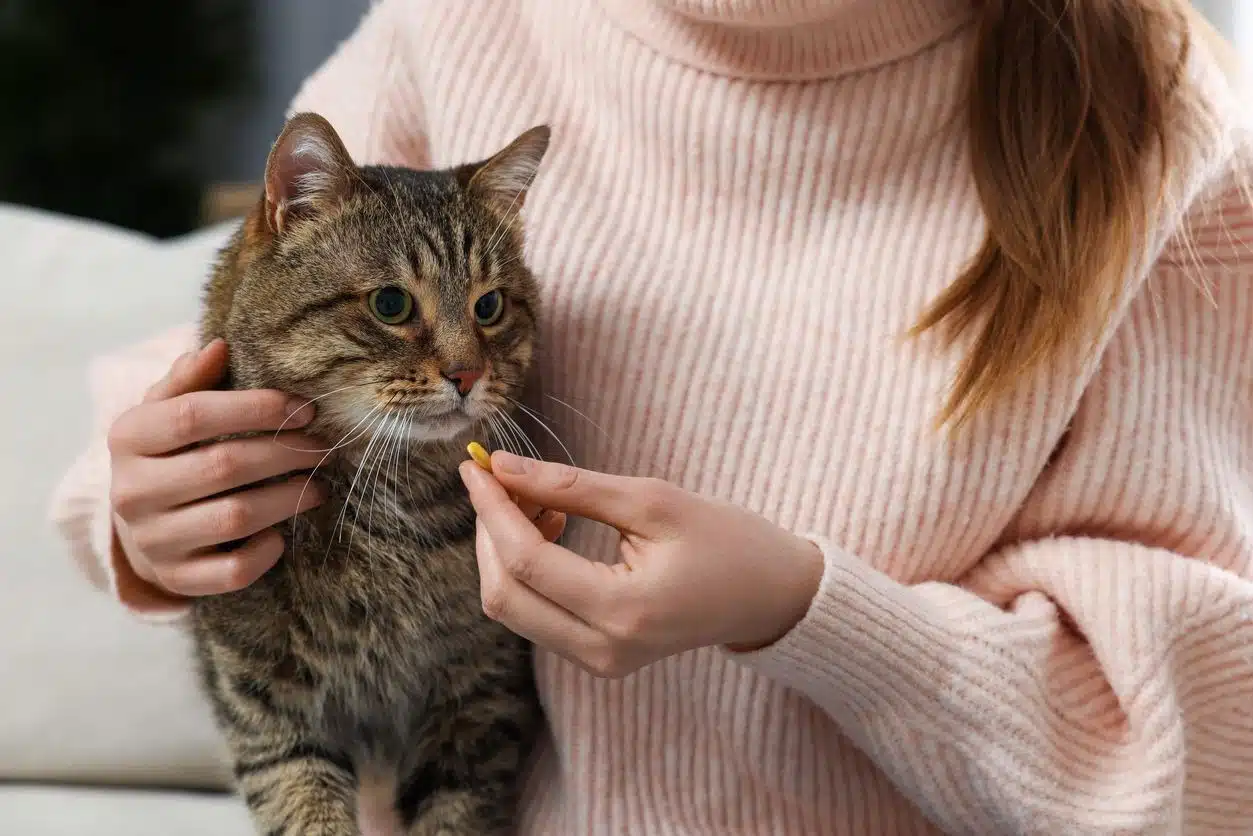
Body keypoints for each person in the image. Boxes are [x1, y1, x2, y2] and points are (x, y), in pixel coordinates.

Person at [48, 0, 1253, 832]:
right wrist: (150, 505)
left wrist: (805, 610)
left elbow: (1203, 747)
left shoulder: (1162, 115)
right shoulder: (468, 24)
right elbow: (246, 318)